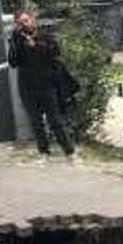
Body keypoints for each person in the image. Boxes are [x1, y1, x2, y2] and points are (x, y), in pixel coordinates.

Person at [7, 9, 75, 159]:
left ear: (32, 19)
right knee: (36, 121)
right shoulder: (17, 38)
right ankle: (44, 152)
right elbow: (12, 62)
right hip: (27, 86)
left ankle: (69, 151)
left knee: (55, 120)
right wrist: (14, 44)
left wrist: (36, 45)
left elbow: (56, 52)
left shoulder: (45, 34)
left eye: (26, 20)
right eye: (20, 23)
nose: (24, 24)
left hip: (46, 84)